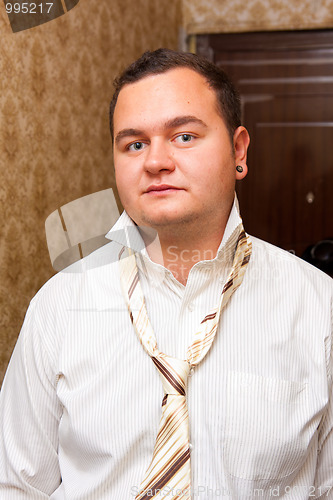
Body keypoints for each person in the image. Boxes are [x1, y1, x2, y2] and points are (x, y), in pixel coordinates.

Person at [0, 48, 332, 499]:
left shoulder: (318, 307)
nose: (155, 161)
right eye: (134, 144)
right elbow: (16, 485)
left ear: (238, 150)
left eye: (184, 136)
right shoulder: (57, 307)